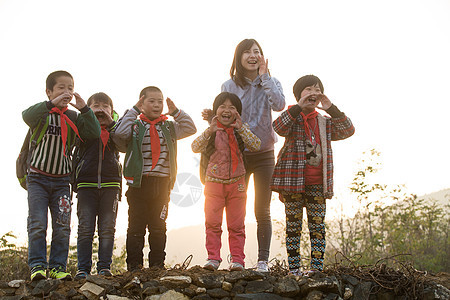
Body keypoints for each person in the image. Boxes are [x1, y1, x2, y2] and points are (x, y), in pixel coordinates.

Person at [203, 38, 285, 272]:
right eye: (247, 52)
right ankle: (230, 259)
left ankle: (262, 261)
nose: (252, 55)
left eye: (257, 52)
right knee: (230, 210)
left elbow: (279, 105)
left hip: (264, 154)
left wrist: (265, 77)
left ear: (262, 57)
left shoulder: (271, 82)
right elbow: (223, 115)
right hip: (234, 154)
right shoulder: (228, 85)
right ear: (238, 57)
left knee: (262, 209)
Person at [270, 75, 355, 275]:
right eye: (308, 89)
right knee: (293, 226)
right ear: (299, 95)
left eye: (317, 89)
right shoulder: (292, 117)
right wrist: (297, 107)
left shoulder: (325, 122)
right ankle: (295, 269)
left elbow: (348, 130)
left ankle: (316, 269)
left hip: (318, 184)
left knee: (317, 227)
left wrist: (331, 108)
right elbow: (278, 127)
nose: (313, 93)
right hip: (292, 183)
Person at [22, 70, 101, 281]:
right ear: (48, 92)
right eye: (61, 88)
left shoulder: (73, 117)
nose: (66, 92)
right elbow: (26, 115)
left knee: (62, 225)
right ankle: (37, 266)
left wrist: (84, 108)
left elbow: (93, 133)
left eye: (70, 88)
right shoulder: (41, 115)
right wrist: (50, 104)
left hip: (62, 181)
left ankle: (58, 267)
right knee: (38, 223)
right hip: (37, 178)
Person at [113, 86, 196, 272]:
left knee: (158, 226)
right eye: (152, 101)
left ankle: (157, 266)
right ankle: (134, 266)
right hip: (139, 183)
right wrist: (134, 110)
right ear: (142, 103)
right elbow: (118, 134)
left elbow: (190, 128)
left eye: (160, 101)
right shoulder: (135, 126)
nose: (157, 105)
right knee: (136, 227)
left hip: (162, 184)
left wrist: (176, 112)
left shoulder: (169, 127)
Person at [193, 92, 261, 271]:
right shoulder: (211, 131)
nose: (227, 110)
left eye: (232, 107)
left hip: (237, 183)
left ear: (237, 113)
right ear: (216, 111)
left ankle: (237, 260)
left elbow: (256, 145)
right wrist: (210, 130)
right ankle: (213, 258)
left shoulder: (240, 130)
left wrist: (241, 128)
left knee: (236, 225)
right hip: (213, 182)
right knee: (213, 223)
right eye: (222, 106)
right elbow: (194, 146)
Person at [73, 92, 122, 280]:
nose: (101, 109)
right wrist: (87, 115)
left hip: (111, 185)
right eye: (96, 106)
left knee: (107, 228)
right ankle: (83, 269)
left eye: (105, 106)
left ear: (112, 110)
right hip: (86, 184)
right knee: (85, 228)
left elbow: (124, 142)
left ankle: (104, 267)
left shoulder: (117, 129)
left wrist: (111, 124)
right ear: (88, 109)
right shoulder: (83, 127)